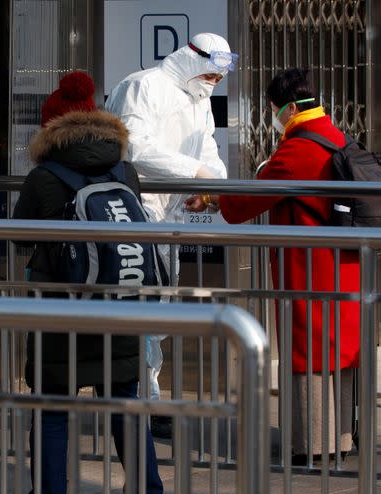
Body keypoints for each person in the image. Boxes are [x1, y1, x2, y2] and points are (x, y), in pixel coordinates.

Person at [13, 71, 164, 494]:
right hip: (120, 304)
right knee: (125, 403)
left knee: (53, 408)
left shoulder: (44, 177)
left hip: (61, 308)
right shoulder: (126, 170)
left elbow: (20, 239)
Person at [217, 68, 361, 464]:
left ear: (291, 107)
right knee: (340, 352)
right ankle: (341, 439)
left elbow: (249, 201)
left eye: (275, 109)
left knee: (308, 352)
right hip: (343, 264)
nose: (274, 116)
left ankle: (312, 445)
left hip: (309, 267)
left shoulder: (298, 150)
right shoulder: (335, 135)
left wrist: (217, 197)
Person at [104, 32, 235, 438]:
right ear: (190, 57)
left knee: (158, 305)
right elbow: (136, 148)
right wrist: (194, 174)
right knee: (139, 303)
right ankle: (140, 397)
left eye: (218, 77)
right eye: (210, 73)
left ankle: (147, 395)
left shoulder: (199, 102)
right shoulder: (144, 86)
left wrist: (212, 187)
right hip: (133, 210)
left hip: (167, 215)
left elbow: (207, 151)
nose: (213, 81)